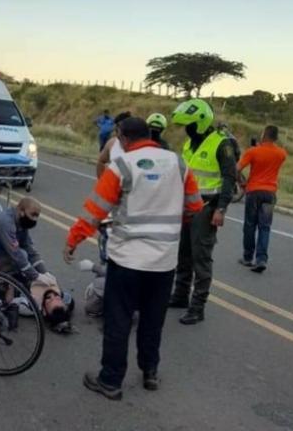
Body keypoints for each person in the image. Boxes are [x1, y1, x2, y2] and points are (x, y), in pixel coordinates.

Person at [64, 117, 203, 399]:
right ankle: (150, 372)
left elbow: (95, 211)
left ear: (123, 138)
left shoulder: (122, 166)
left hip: (127, 262)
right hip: (163, 263)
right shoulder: (178, 164)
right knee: (153, 321)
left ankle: (111, 381)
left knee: (119, 321)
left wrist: (73, 240)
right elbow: (195, 206)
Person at [169, 98, 238, 325]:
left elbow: (229, 178)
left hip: (207, 208)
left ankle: (197, 307)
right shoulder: (190, 144)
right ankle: (180, 296)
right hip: (187, 207)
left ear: (199, 122)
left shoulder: (221, 144)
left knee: (201, 258)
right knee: (183, 253)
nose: (186, 129)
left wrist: (221, 209)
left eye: (188, 124)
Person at [237, 125, 287, 272]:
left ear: (264, 134)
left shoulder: (253, 152)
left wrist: (242, 183)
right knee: (265, 227)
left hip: (253, 191)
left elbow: (237, 168)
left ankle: (247, 257)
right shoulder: (281, 153)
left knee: (250, 225)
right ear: (276, 137)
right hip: (270, 193)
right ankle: (261, 259)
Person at [94, 111, 134, 178]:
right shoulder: (112, 143)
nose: (115, 129)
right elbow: (100, 162)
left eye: (118, 126)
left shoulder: (139, 144)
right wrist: (102, 182)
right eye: (116, 126)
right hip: (114, 184)